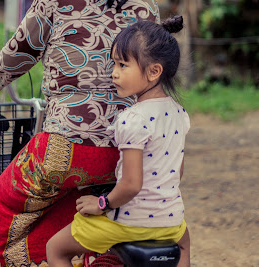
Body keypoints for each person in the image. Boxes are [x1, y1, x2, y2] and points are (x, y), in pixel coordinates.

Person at [0, 0, 160, 266]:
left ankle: (16, 259)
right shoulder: (146, 5)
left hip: (66, 148)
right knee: (99, 209)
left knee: (5, 195)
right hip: (129, 151)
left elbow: (19, 52)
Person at [46, 16, 191, 267]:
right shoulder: (180, 114)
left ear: (154, 71)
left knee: (55, 249)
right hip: (170, 222)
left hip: (129, 222)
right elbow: (177, 172)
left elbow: (132, 185)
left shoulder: (132, 119)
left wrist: (101, 203)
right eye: (114, 64)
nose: (114, 73)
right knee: (184, 246)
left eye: (123, 65)